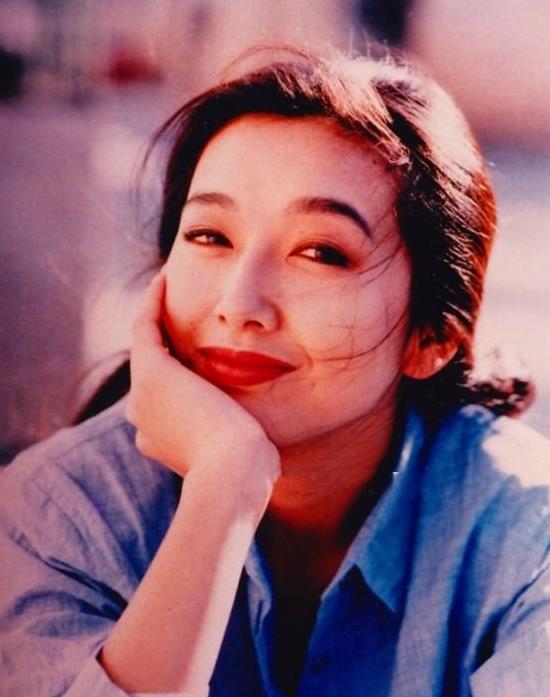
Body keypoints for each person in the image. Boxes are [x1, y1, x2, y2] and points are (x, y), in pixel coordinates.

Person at [0, 46, 549, 697]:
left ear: (432, 337)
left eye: (320, 252)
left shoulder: (526, 532)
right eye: (210, 236)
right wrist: (223, 487)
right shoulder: (56, 513)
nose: (239, 305)